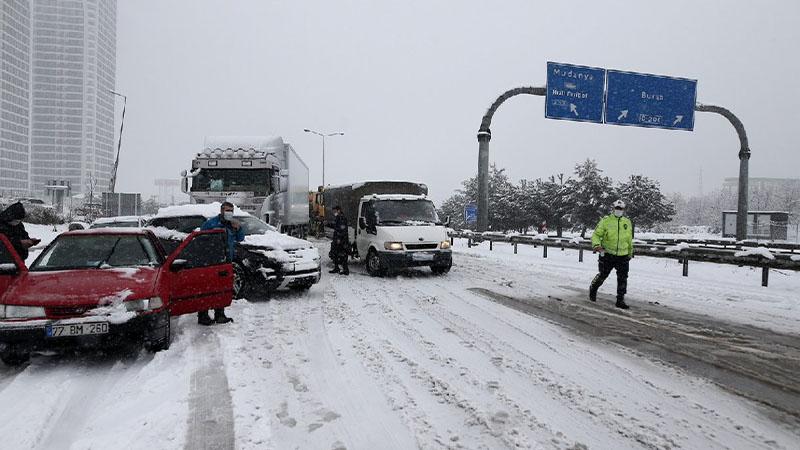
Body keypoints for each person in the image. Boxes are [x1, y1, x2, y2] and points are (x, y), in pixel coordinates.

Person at [198, 201, 244, 325]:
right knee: (208, 288)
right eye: (227, 210)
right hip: (212, 261)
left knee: (222, 288)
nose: (229, 213)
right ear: (221, 210)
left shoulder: (232, 224)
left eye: (231, 211)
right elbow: (201, 239)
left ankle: (220, 314)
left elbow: (240, 238)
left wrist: (238, 228)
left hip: (226, 260)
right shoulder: (211, 223)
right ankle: (203, 315)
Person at [589, 199, 634, 309]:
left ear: (624, 210)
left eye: (621, 209)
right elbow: (595, 235)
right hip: (607, 253)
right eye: (617, 208)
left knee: (623, 278)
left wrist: (630, 252)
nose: (619, 210)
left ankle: (620, 299)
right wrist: (597, 246)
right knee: (603, 274)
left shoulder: (627, 222)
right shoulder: (606, 221)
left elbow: (629, 239)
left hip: (623, 255)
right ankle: (593, 288)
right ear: (613, 209)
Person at [329, 205, 350, 275]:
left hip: (341, 240)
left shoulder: (342, 218)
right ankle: (336, 268)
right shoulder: (338, 217)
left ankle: (345, 270)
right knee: (335, 253)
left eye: (335, 211)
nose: (334, 212)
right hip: (337, 239)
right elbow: (336, 227)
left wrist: (339, 239)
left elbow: (342, 230)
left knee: (342, 254)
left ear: (338, 210)